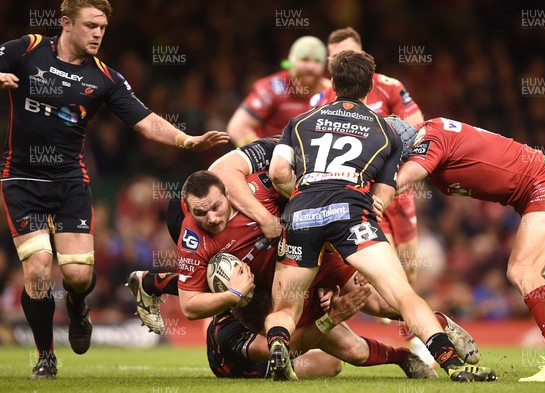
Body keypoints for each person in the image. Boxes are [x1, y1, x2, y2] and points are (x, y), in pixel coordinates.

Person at [0, 0, 228, 380]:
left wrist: (187, 141)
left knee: (76, 276)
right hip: (22, 180)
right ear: (66, 23)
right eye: (91, 25)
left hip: (71, 182)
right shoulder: (27, 48)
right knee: (38, 269)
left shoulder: (104, 77)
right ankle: (46, 356)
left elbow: (146, 121)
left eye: (103, 27)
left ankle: (77, 306)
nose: (98, 33)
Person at [266, 50, 496, 382]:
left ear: (332, 82)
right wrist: (366, 205)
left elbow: (277, 173)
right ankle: (454, 366)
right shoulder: (386, 131)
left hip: (301, 214)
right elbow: (384, 196)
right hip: (351, 215)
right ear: (370, 85)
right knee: (403, 295)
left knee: (286, 308)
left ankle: (278, 346)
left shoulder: (299, 122)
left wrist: (301, 197)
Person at [129, 168, 437, 379]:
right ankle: (403, 357)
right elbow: (297, 340)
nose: (211, 217)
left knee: (378, 304)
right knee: (337, 361)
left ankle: (150, 281)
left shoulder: (257, 194)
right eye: (201, 213)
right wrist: (333, 316)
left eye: (216, 208)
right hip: (245, 343)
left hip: (271, 284)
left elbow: (312, 210)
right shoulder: (230, 330)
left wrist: (336, 261)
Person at [390, 116, 545, 382]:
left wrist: (353, 188)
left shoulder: (430, 138)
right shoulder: (433, 134)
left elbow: (404, 179)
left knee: (522, 271)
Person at [315, 26, 429, 363]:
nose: (340, 61)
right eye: (334, 57)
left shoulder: (390, 87)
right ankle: (420, 340)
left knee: (408, 270)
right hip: (363, 196)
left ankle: (409, 324)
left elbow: (417, 126)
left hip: (398, 191)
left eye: (346, 54)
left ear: (364, 57)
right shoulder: (324, 100)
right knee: (386, 270)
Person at [226, 36, 329, 147]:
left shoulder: (330, 91)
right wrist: (264, 156)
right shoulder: (272, 88)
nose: (311, 67)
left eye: (317, 61)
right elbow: (237, 128)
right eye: (305, 60)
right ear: (292, 62)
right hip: (273, 158)